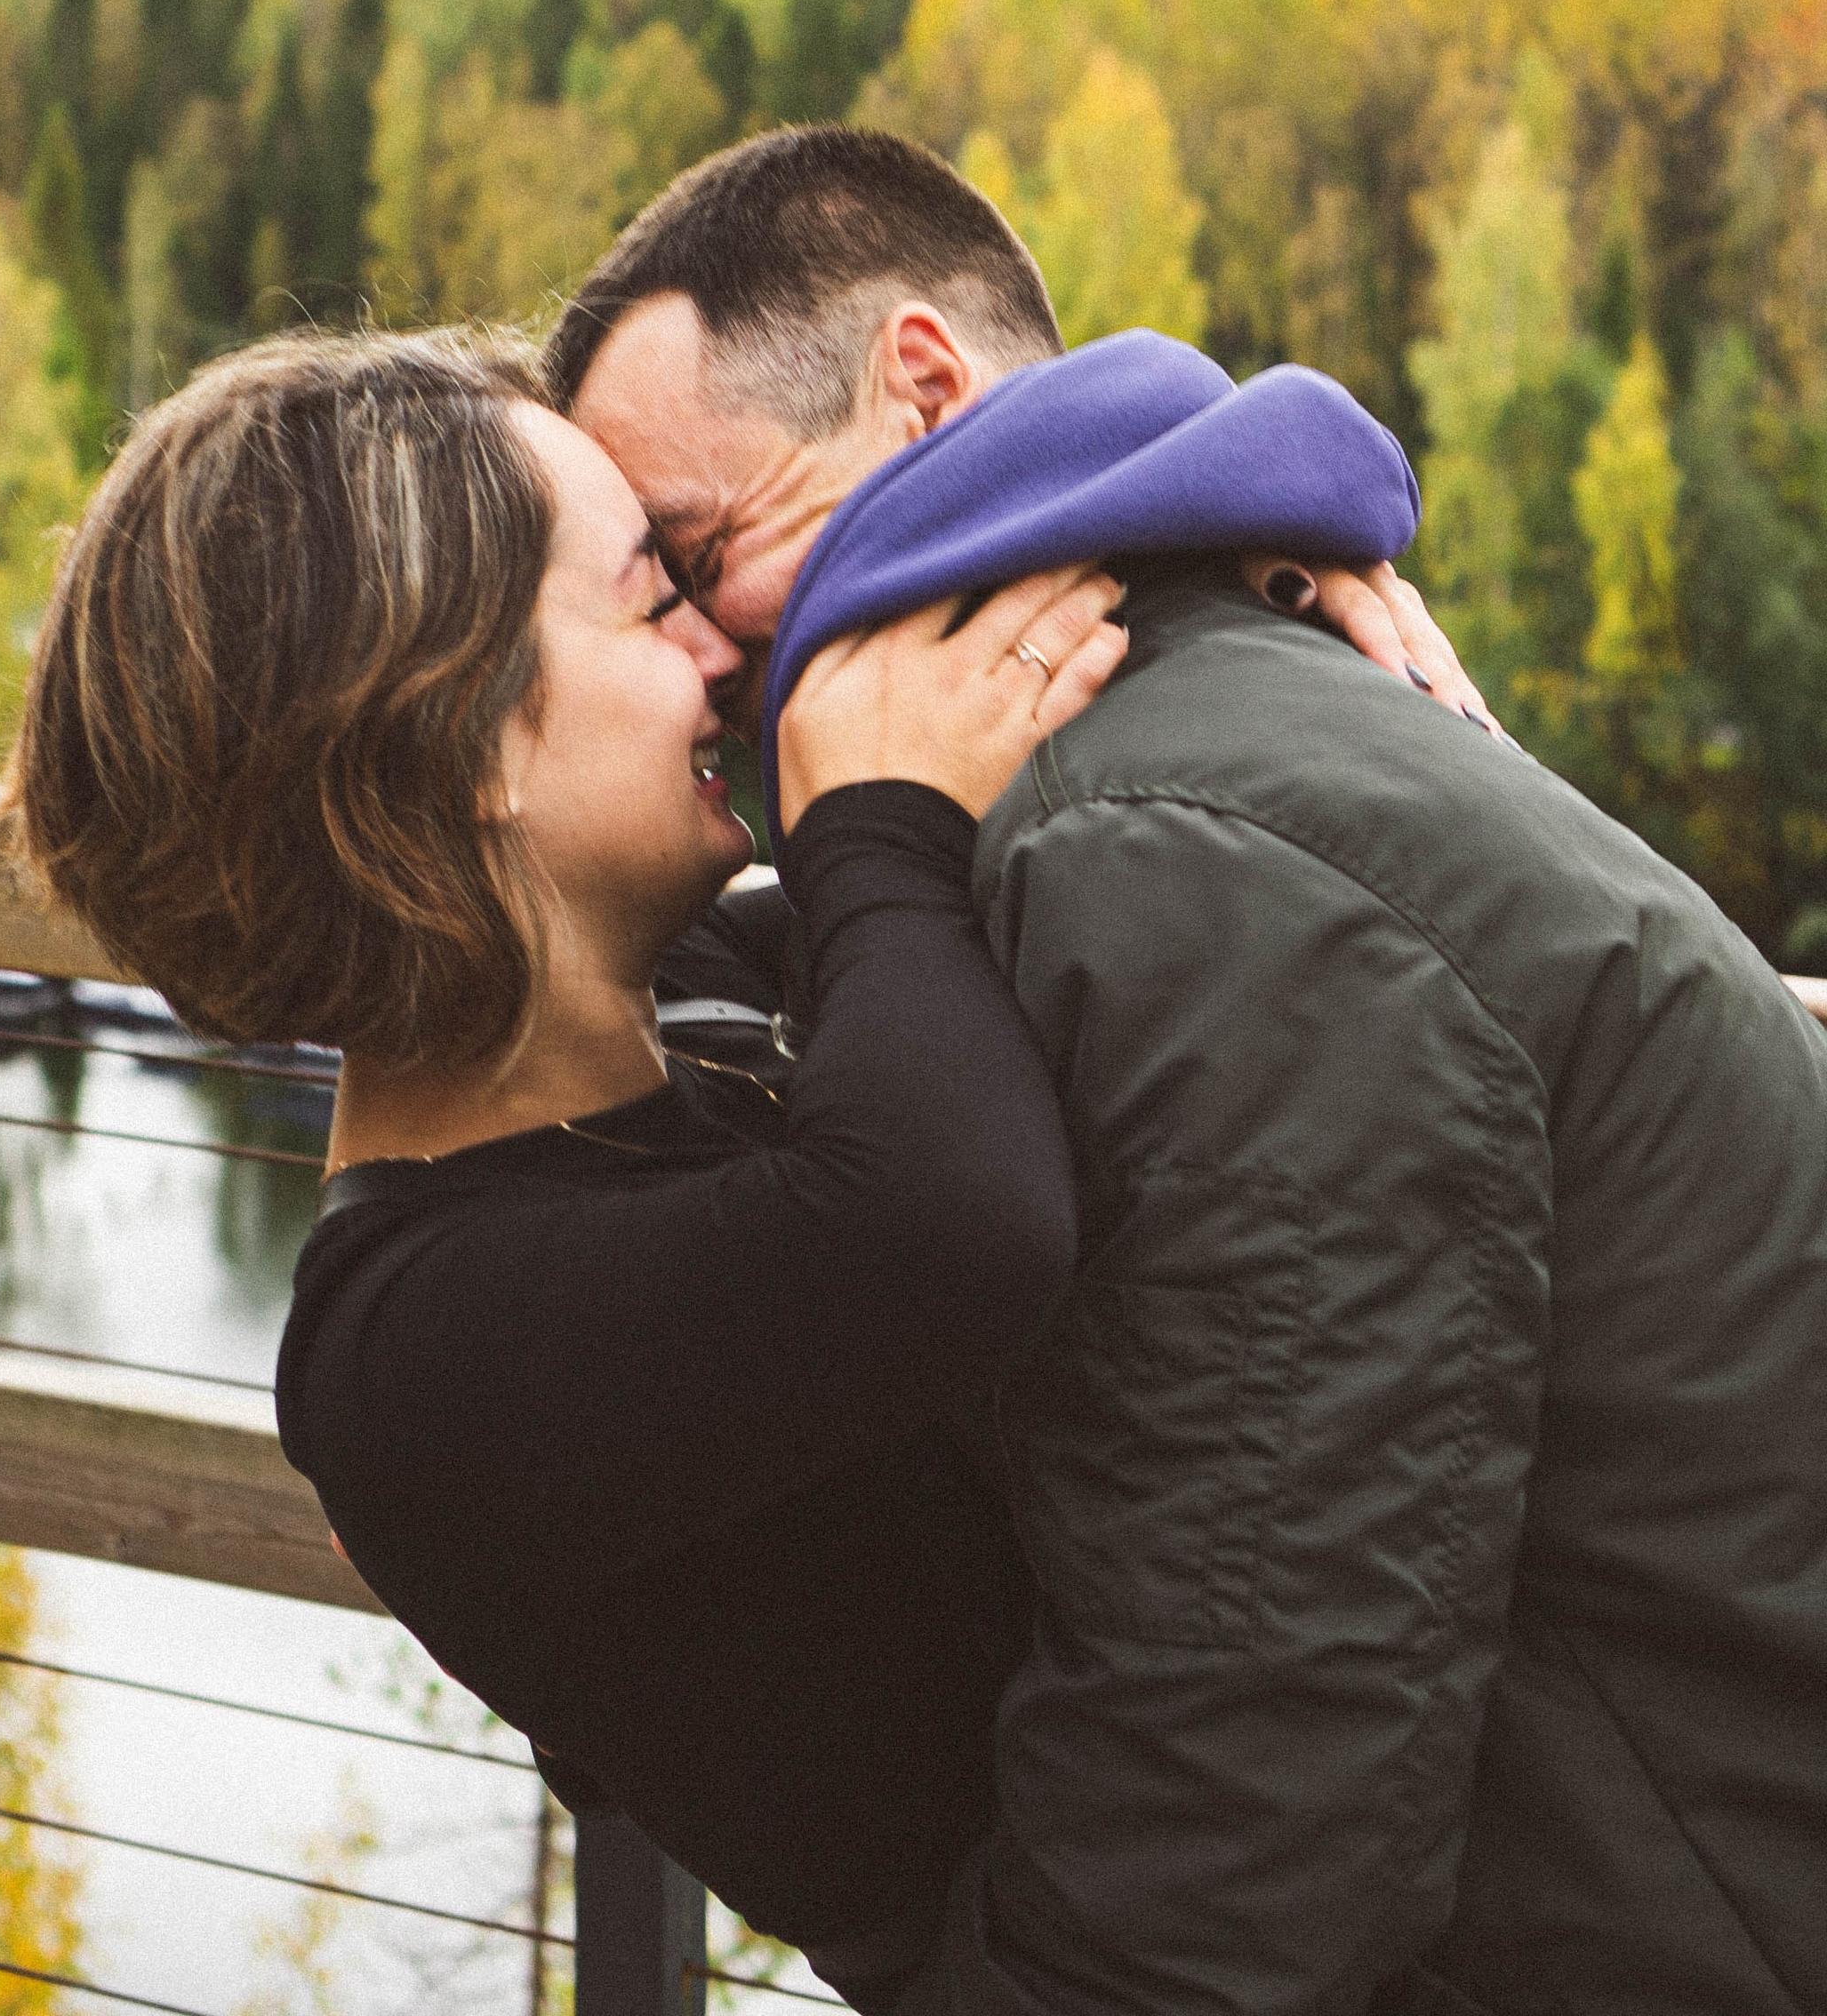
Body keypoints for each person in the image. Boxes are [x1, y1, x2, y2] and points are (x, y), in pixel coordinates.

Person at [0, 324, 1451, 2008]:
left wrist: (1242, 602)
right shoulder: (413, 1361)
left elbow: (971, 856)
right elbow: (947, 1216)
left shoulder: (691, 1006)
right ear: (463, 739)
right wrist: (879, 824)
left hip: (1271, 1874)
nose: (724, 650)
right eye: (650, 595)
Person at [554, 124, 1827, 2016]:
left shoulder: (1160, 842)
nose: (698, 657)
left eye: (698, 551)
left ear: (920, 387)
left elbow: (1261, 1697)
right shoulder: (1162, 734)